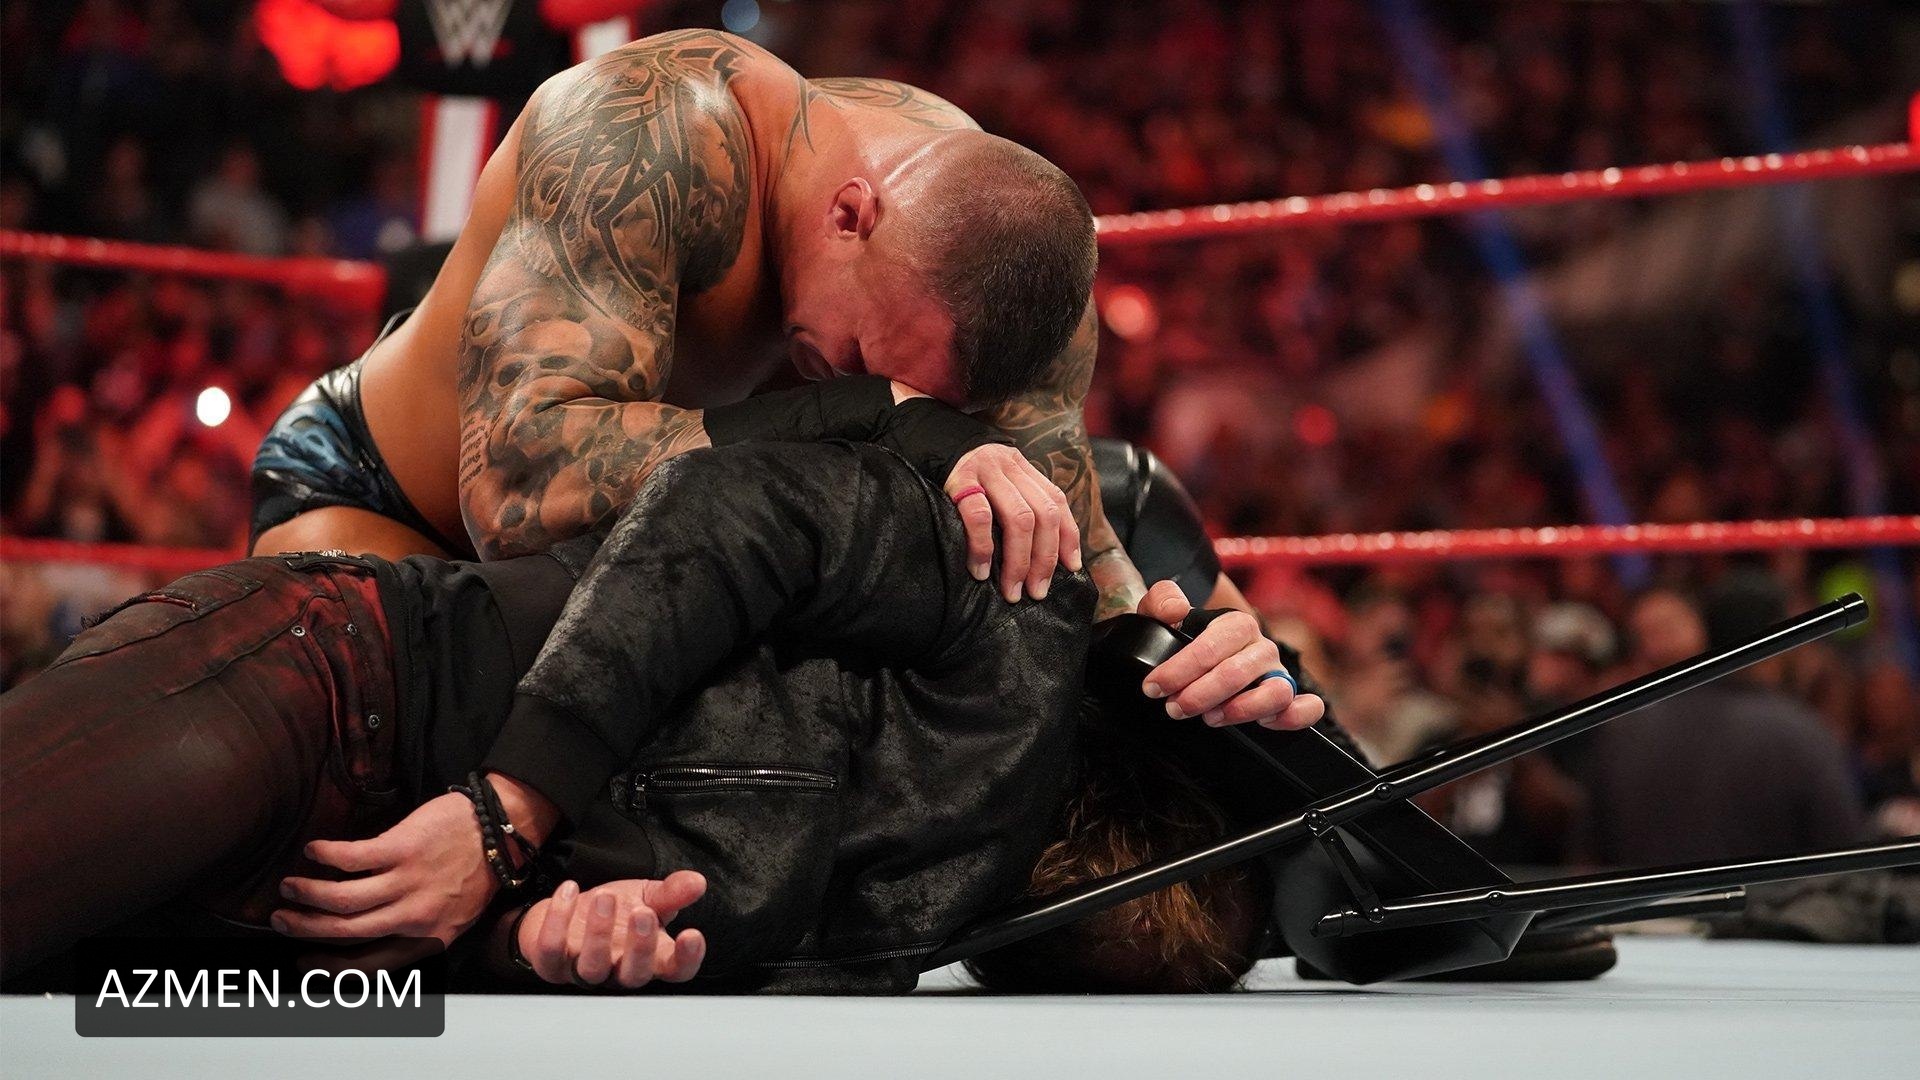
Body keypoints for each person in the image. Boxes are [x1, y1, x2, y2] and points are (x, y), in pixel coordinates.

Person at [2, 415, 1328, 992]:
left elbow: (1379, 909)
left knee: (65, 998)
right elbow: (726, 507)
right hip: (340, 689)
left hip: (356, 940)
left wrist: (543, 944)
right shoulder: (1015, 590)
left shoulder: (900, 934)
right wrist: (511, 810)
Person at [248, 29, 1295, 734]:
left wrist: (1185, 668)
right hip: (392, 497)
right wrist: (867, 414)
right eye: (859, 360)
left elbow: (1068, 570)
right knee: (374, 725)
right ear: (850, 214)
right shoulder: (649, 133)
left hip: (673, 580)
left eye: (928, 400)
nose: (885, 394)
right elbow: (518, 497)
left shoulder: (1009, 275)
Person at [1574, 574, 1868, 867]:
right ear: (1777, 641)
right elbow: (1847, 858)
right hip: (1764, 897)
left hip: (1643, 897)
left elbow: (1586, 856)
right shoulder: (1800, 734)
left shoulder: (1625, 730)